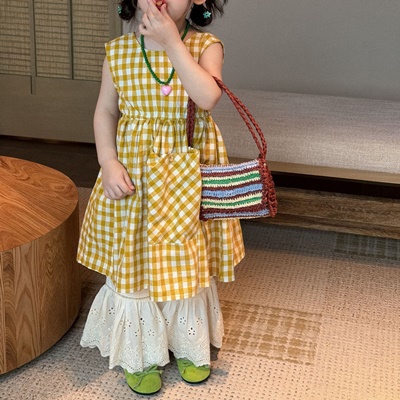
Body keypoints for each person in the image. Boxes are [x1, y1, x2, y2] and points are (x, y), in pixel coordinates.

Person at [77, 0, 244, 395]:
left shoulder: (206, 47)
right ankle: (140, 353)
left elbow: (207, 97)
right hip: (136, 175)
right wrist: (107, 161)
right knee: (135, 255)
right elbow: (105, 112)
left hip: (186, 173)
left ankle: (187, 342)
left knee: (184, 255)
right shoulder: (118, 52)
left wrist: (172, 43)